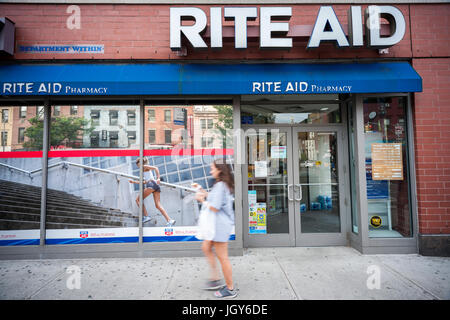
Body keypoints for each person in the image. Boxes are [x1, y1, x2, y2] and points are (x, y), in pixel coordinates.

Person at [193, 159, 237, 299]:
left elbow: (214, 206)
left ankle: (230, 289)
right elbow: (214, 199)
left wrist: (201, 200)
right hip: (217, 225)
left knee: (223, 258)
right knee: (206, 247)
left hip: (219, 226)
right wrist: (202, 191)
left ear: (220, 170)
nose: (211, 171)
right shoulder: (220, 185)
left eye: (213, 168)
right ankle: (215, 279)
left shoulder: (220, 185)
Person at [129, 157, 176, 227]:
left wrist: (158, 178)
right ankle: (169, 220)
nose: (138, 166)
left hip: (151, 185)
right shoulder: (144, 169)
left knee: (138, 200)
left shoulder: (144, 166)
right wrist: (134, 182)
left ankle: (146, 216)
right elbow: (145, 181)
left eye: (137, 164)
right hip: (155, 186)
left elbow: (156, 168)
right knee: (158, 205)